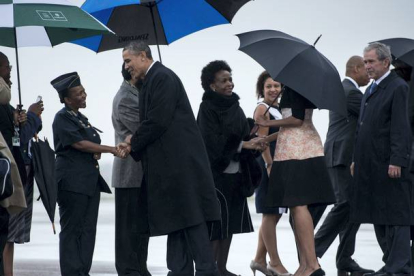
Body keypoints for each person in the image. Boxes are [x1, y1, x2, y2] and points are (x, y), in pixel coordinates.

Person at [119, 41, 221, 276]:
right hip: (170, 165)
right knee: (177, 218)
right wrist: (134, 143)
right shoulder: (152, 80)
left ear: (143, 56)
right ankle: (179, 270)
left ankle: (206, 270)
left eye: (128, 61)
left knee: (191, 216)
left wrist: (132, 143)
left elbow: (157, 121)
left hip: (180, 164)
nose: (126, 67)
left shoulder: (162, 77)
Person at [256, 86, 335, 276]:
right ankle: (307, 265)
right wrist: (269, 138)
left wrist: (267, 122)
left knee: (298, 205)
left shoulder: (294, 87)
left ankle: (311, 265)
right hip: (303, 147)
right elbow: (296, 125)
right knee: (298, 206)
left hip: (298, 152)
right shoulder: (301, 86)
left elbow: (296, 120)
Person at [197, 61, 266, 276]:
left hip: (237, 174)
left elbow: (241, 133)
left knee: (231, 224)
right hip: (216, 175)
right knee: (217, 226)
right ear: (212, 85)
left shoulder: (235, 106)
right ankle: (209, 270)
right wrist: (242, 144)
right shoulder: (206, 108)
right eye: (223, 80)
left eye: (230, 79)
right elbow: (210, 142)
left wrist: (253, 139)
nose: (230, 84)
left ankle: (221, 268)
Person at [351, 42, 413, 276]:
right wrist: (356, 159)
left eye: (370, 61)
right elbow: (361, 128)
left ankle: (400, 268)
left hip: (389, 163)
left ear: (385, 62)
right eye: (365, 62)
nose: (366, 66)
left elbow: (400, 127)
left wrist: (397, 159)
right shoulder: (370, 89)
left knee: (396, 216)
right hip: (370, 163)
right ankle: (390, 265)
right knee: (378, 214)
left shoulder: (397, 87)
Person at [51, 72, 117, 276]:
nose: (84, 95)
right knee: (72, 231)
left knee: (88, 231)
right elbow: (78, 143)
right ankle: (72, 272)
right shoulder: (62, 117)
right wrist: (111, 149)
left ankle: (82, 271)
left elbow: (86, 145)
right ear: (67, 99)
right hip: (72, 183)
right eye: (78, 94)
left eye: (84, 91)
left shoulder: (80, 118)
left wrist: (96, 151)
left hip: (88, 183)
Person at [313, 56, 373, 276]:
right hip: (342, 157)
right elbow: (372, 118)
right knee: (345, 205)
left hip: (341, 156)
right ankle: (312, 251)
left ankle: (344, 260)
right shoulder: (351, 92)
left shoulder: (344, 89)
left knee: (352, 208)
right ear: (355, 68)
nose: (368, 71)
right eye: (365, 68)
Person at [112, 63, 150, 276]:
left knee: (140, 227)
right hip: (129, 174)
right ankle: (129, 271)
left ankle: (139, 268)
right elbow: (144, 128)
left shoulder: (137, 93)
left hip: (139, 174)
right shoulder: (126, 97)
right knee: (128, 229)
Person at [250, 71, 290, 276]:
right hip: (268, 164)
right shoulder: (262, 108)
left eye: (276, 86)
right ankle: (274, 262)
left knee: (274, 214)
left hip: (279, 163)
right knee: (269, 212)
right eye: (268, 86)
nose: (273, 89)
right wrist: (269, 165)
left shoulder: (277, 108)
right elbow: (262, 141)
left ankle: (258, 259)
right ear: (261, 89)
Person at [0, 69, 26, 276]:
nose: (9, 72)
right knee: (5, 234)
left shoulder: (6, 107)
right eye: (5, 67)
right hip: (4, 178)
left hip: (7, 176)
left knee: (7, 233)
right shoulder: (2, 101)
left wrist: (17, 121)